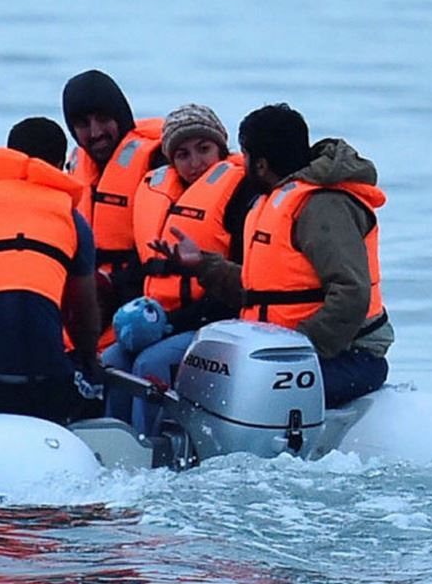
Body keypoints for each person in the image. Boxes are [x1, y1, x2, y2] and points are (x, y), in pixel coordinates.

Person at [167, 103, 392, 408]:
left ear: (260, 164)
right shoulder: (273, 203)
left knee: (243, 393)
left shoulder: (321, 207)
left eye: (244, 155)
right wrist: (204, 265)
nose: (240, 162)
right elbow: (262, 291)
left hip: (349, 356)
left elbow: (351, 292)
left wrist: (296, 349)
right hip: (282, 350)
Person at [0, 117, 101, 424]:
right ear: (60, 165)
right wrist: (88, 359)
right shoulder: (73, 219)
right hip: (44, 383)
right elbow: (85, 318)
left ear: (8, 157)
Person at [106, 104, 253, 435]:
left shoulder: (241, 197)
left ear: (221, 148)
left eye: (204, 149)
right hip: (166, 324)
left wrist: (171, 325)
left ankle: (148, 450)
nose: (195, 163)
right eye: (183, 154)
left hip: (217, 325)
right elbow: (142, 269)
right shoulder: (159, 195)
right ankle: (112, 447)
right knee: (113, 359)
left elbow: (241, 283)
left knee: (149, 364)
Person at [61, 69, 163, 302]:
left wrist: (110, 286)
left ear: (121, 116)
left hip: (140, 299)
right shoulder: (74, 167)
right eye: (83, 124)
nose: (96, 132)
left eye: (103, 119)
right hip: (89, 297)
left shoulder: (157, 164)